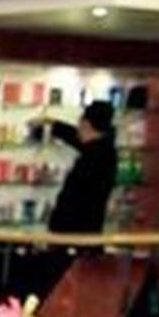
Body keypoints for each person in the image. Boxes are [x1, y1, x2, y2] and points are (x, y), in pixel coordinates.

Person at [42, 99, 120, 234]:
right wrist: (53, 124)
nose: (77, 128)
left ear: (86, 124)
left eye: (79, 123)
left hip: (75, 231)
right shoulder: (104, 149)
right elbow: (76, 138)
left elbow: (75, 198)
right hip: (89, 228)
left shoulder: (94, 156)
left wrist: (58, 223)